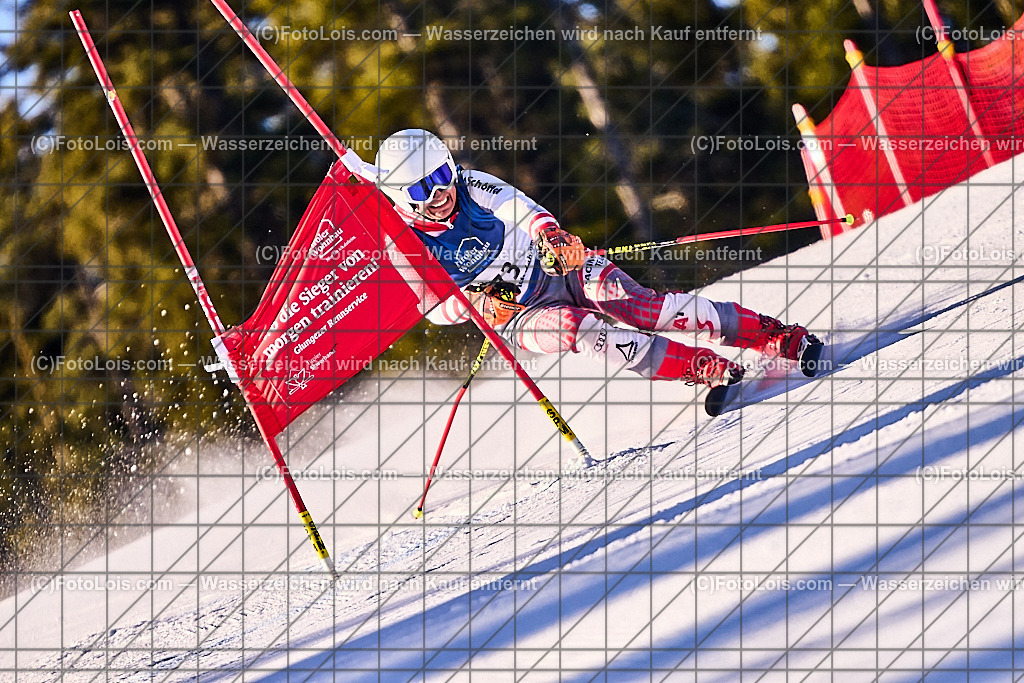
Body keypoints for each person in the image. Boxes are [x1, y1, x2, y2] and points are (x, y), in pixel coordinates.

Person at [341, 128, 820, 389]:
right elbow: (431, 305)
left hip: (554, 266)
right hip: (520, 311)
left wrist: (549, 234)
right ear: (403, 196)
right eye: (426, 187)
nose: (443, 191)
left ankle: (775, 336)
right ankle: (700, 368)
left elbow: (516, 206)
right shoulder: (406, 244)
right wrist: (480, 306)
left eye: (443, 173)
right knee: (585, 333)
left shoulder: (468, 186)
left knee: (642, 308)